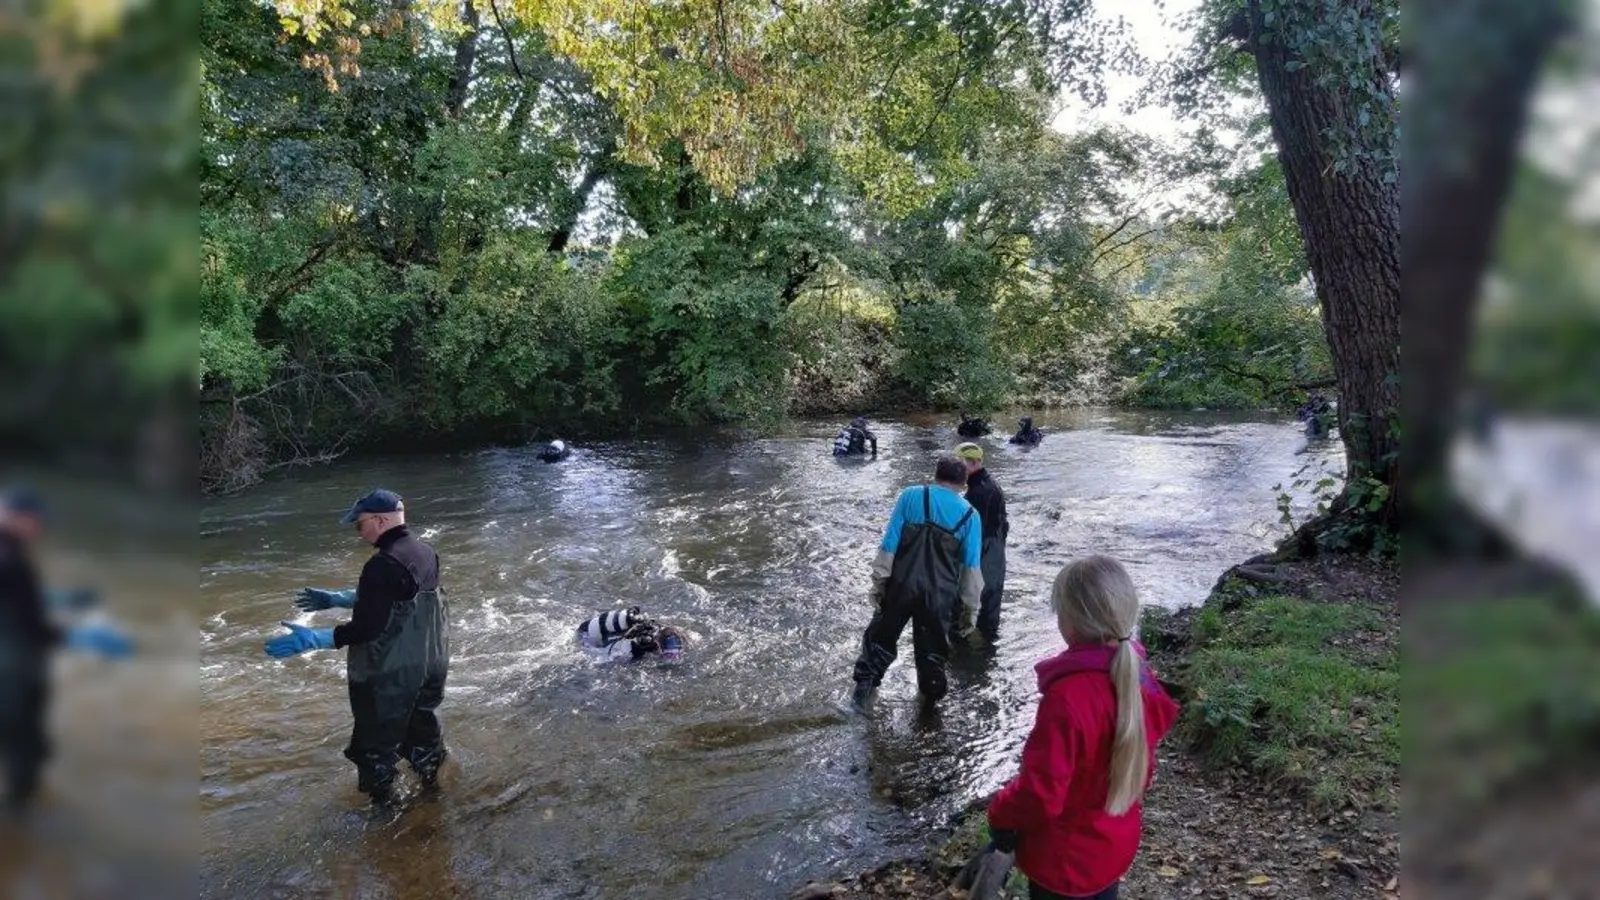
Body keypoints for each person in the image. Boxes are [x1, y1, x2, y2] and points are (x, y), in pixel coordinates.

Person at [985, 556, 1180, 900]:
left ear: (1070, 623)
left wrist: (1000, 811)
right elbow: (1144, 762)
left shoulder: (1067, 698)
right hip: (1111, 844)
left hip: (1063, 862)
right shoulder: (1137, 674)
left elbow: (1041, 794)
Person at [266, 488, 450, 804]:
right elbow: (403, 594)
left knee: (373, 749)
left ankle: (387, 816)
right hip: (432, 663)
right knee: (424, 736)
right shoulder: (425, 552)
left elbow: (367, 629)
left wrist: (316, 639)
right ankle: (434, 795)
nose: (358, 531)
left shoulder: (380, 565)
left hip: (392, 673)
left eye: (359, 524)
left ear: (380, 520)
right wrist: (341, 598)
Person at [0, 488, 133, 814]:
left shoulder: (10, 552)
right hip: (11, 673)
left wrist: (54, 599)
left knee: (32, 747)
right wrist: (79, 637)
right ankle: (22, 822)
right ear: (19, 518)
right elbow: (28, 624)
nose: (40, 530)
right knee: (26, 752)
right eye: (36, 522)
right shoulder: (10, 558)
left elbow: (14, 601)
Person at [850, 456, 984, 712]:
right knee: (933, 657)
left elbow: (889, 545)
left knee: (877, 645)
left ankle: (860, 706)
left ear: (935, 476)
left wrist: (879, 585)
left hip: (899, 587)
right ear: (964, 484)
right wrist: (970, 613)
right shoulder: (970, 515)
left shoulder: (910, 496)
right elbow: (971, 572)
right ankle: (928, 715)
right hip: (939, 597)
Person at [953, 442, 1008, 642]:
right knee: (988, 608)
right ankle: (985, 652)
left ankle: (977, 654)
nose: (957, 470)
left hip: (986, 553)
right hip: (995, 551)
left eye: (961, 465)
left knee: (978, 605)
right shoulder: (987, 484)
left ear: (974, 462)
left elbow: (973, 531)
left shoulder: (979, 492)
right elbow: (1004, 524)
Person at [575, 608, 686, 663]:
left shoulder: (675, 636)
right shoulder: (636, 647)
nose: (672, 658)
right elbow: (603, 657)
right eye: (669, 654)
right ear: (657, 645)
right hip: (584, 636)